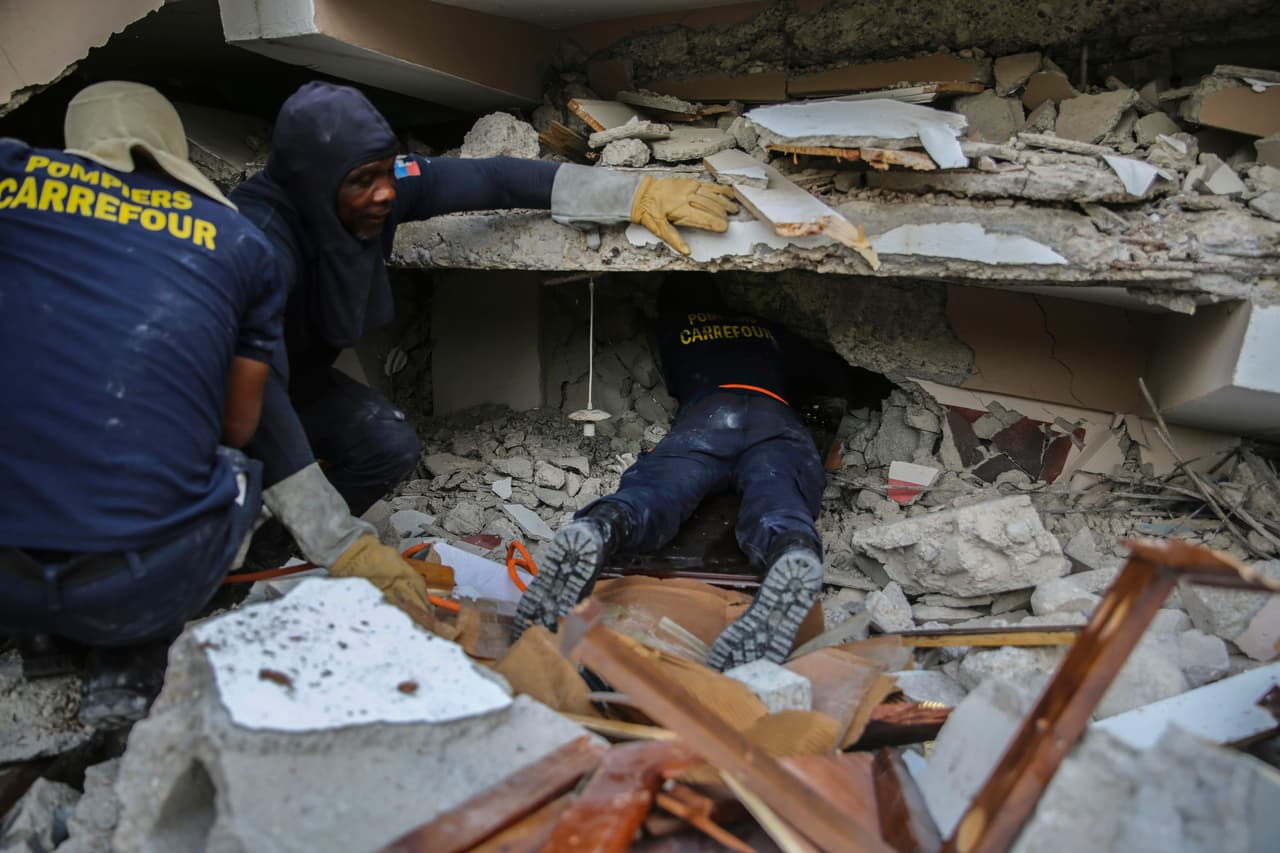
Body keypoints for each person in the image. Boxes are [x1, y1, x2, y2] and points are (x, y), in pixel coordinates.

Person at [228, 81, 739, 585]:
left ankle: (266, 558)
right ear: (313, 183)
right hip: (226, 399)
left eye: (387, 170)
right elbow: (261, 411)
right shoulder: (255, 244)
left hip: (297, 377)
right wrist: (342, 544)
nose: (385, 191)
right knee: (238, 490)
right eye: (364, 179)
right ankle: (222, 567)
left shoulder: (366, 190)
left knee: (386, 444)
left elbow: (495, 178)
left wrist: (632, 193)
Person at [0, 82, 287, 724]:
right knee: (238, 472)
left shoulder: (12, 177)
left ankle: (40, 633)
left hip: (6, 577)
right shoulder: (240, 243)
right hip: (133, 584)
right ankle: (130, 656)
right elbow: (238, 425)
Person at [517, 273, 851, 670]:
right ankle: (791, 550)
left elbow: (676, 382)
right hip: (772, 415)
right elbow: (829, 375)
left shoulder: (674, 328)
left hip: (710, 415)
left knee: (659, 488)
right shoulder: (763, 328)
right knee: (779, 494)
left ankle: (602, 527)